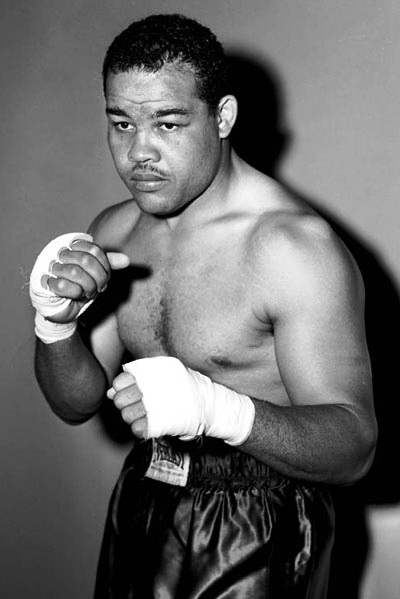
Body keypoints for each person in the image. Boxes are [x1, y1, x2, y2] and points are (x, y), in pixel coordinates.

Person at [30, 13, 377, 599]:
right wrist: (53, 323)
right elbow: (75, 403)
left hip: (263, 518)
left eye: (167, 122)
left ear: (222, 117)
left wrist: (218, 410)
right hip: (146, 495)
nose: (139, 151)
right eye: (121, 123)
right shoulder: (115, 232)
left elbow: (354, 447)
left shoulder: (291, 249)